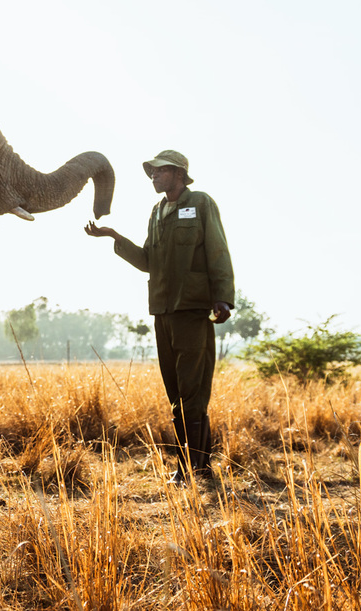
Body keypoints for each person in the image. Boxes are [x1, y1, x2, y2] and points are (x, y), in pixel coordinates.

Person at [85, 150, 234, 484]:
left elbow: (218, 250)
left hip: (193, 311)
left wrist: (223, 299)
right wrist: (114, 238)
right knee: (176, 395)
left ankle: (192, 468)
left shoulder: (201, 203)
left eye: (158, 171)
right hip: (163, 313)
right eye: (151, 172)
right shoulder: (156, 212)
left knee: (193, 393)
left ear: (178, 173)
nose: (152, 176)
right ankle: (196, 466)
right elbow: (148, 261)